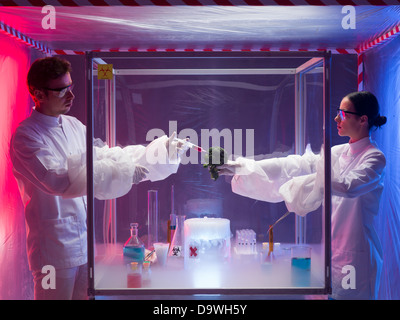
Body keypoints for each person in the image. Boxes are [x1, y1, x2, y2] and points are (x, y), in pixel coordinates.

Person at [10, 57, 187, 300]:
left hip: (83, 246)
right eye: (62, 91)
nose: (71, 96)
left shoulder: (73, 126)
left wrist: (160, 152)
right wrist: (123, 173)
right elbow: (58, 179)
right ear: (37, 93)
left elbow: (107, 155)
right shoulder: (26, 137)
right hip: (53, 250)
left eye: (71, 87)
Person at [219, 91, 387, 300]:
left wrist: (320, 165)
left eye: (343, 114)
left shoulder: (374, 158)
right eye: (337, 113)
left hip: (355, 257)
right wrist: (242, 167)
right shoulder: (337, 152)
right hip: (331, 255)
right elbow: (293, 165)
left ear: (363, 120)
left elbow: (348, 186)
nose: (336, 119)